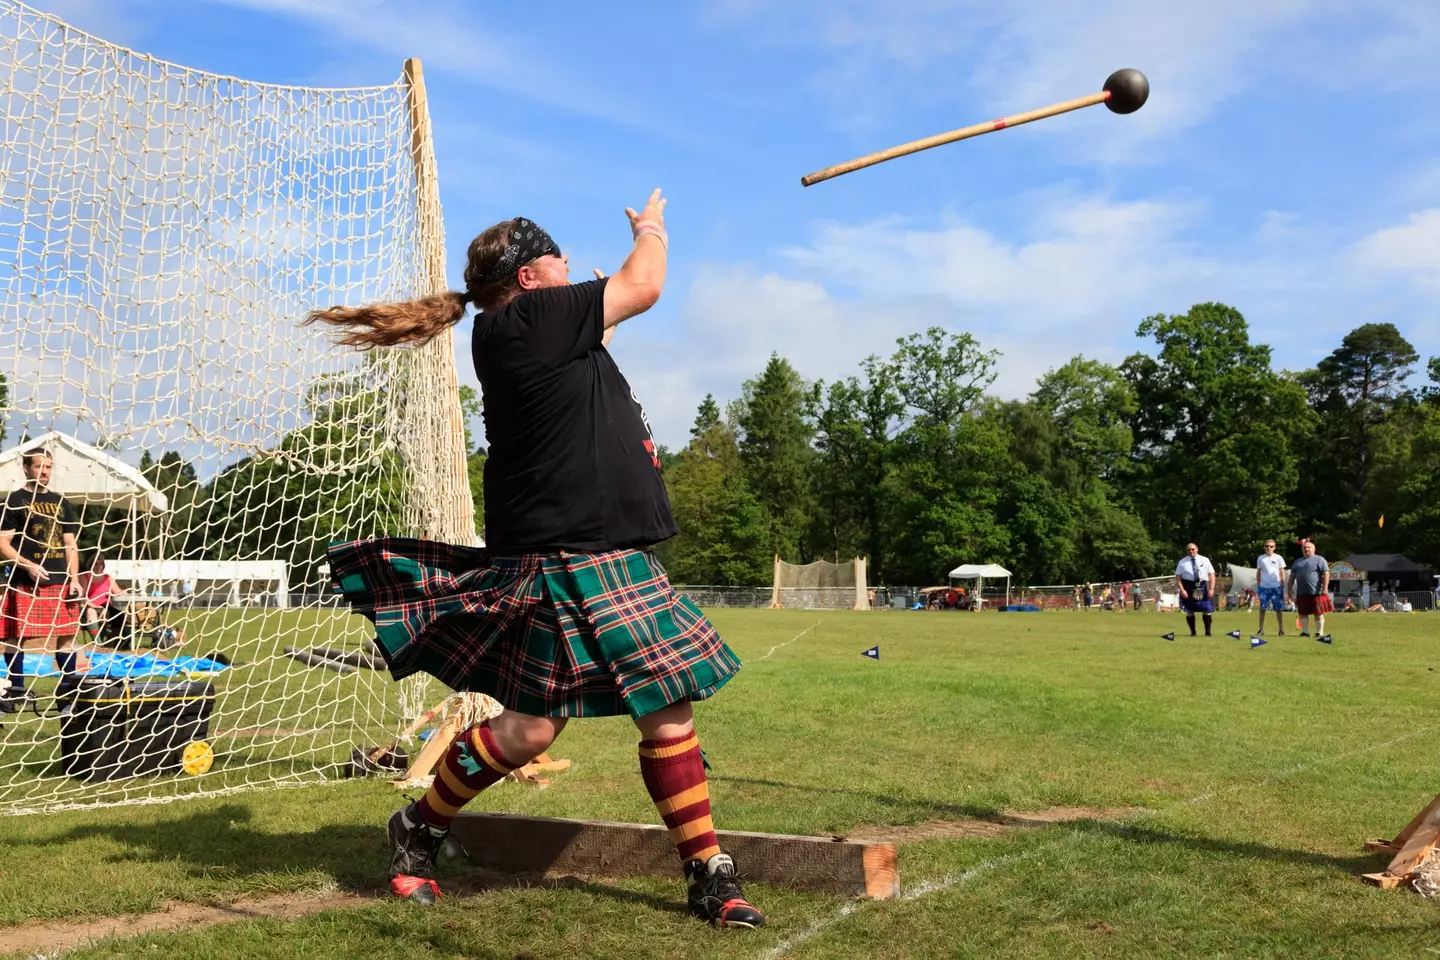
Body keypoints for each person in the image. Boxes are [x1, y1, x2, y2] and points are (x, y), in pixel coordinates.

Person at [307, 192, 764, 929]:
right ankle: (420, 827)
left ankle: (708, 871)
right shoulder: (528, 320)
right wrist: (650, 231)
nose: (566, 268)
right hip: (565, 555)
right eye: (556, 260)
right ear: (528, 278)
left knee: (654, 717)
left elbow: (609, 318)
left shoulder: (531, 327)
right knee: (531, 733)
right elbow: (645, 284)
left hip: (604, 554)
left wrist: (598, 302)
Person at [0, 449, 83, 711]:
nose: (44, 472)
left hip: (60, 579)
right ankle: (15, 692)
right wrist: (28, 565)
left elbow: (70, 543)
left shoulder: (61, 502)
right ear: (26, 468)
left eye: (48, 467)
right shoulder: (15, 500)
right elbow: (3, 543)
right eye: (39, 467)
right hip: (25, 580)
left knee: (68, 637)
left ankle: (67, 695)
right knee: (16, 637)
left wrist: (75, 579)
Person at [1287, 539, 1331, 638]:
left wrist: (1325, 588)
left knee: (1318, 612)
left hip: (1316, 591)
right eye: (1304, 547)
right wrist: (1289, 589)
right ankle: (1305, 632)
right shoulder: (1297, 562)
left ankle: (1319, 633)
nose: (1306, 549)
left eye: (1309, 547)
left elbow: (1326, 574)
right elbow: (1292, 577)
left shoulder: (1320, 560)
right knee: (1302, 613)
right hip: (1302, 592)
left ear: (1314, 549)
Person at [1175, 542, 1216, 636]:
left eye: (1193, 549)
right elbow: (1178, 578)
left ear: (1197, 549)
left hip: (1203, 585)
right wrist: (1182, 590)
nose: (1191, 551)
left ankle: (1208, 633)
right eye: (1188, 550)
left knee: (1207, 610)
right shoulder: (1182, 562)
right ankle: (1193, 633)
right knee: (1189, 611)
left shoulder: (1205, 560)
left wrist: (1212, 588)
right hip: (1188, 586)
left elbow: (1211, 575)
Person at [1254, 539, 1287, 637]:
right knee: (1262, 608)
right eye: (1267, 546)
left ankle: (1281, 630)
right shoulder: (1261, 558)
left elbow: (1282, 571)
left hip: (1276, 587)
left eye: (1271, 546)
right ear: (1264, 547)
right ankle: (1261, 629)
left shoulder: (1279, 558)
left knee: (1278, 609)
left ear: (1275, 547)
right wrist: (1259, 584)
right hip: (1264, 587)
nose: (1269, 548)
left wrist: (1282, 582)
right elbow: (1259, 571)